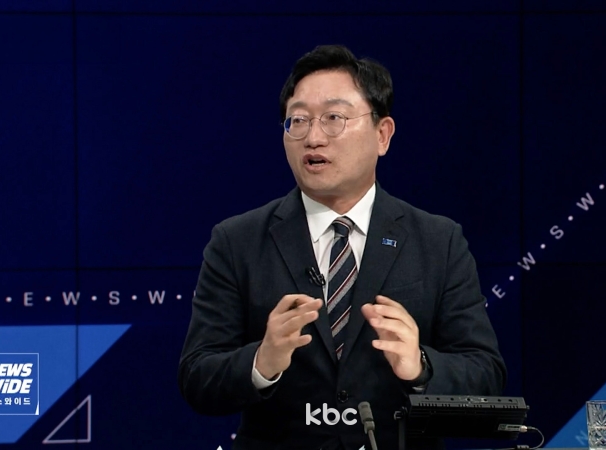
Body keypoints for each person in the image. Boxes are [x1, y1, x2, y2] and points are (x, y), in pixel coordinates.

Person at [178, 44, 506, 450]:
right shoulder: (237, 241)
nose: (313, 137)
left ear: (382, 134)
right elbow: (197, 377)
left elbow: (485, 375)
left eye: (334, 118)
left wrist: (420, 366)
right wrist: (261, 362)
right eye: (298, 121)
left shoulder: (439, 241)